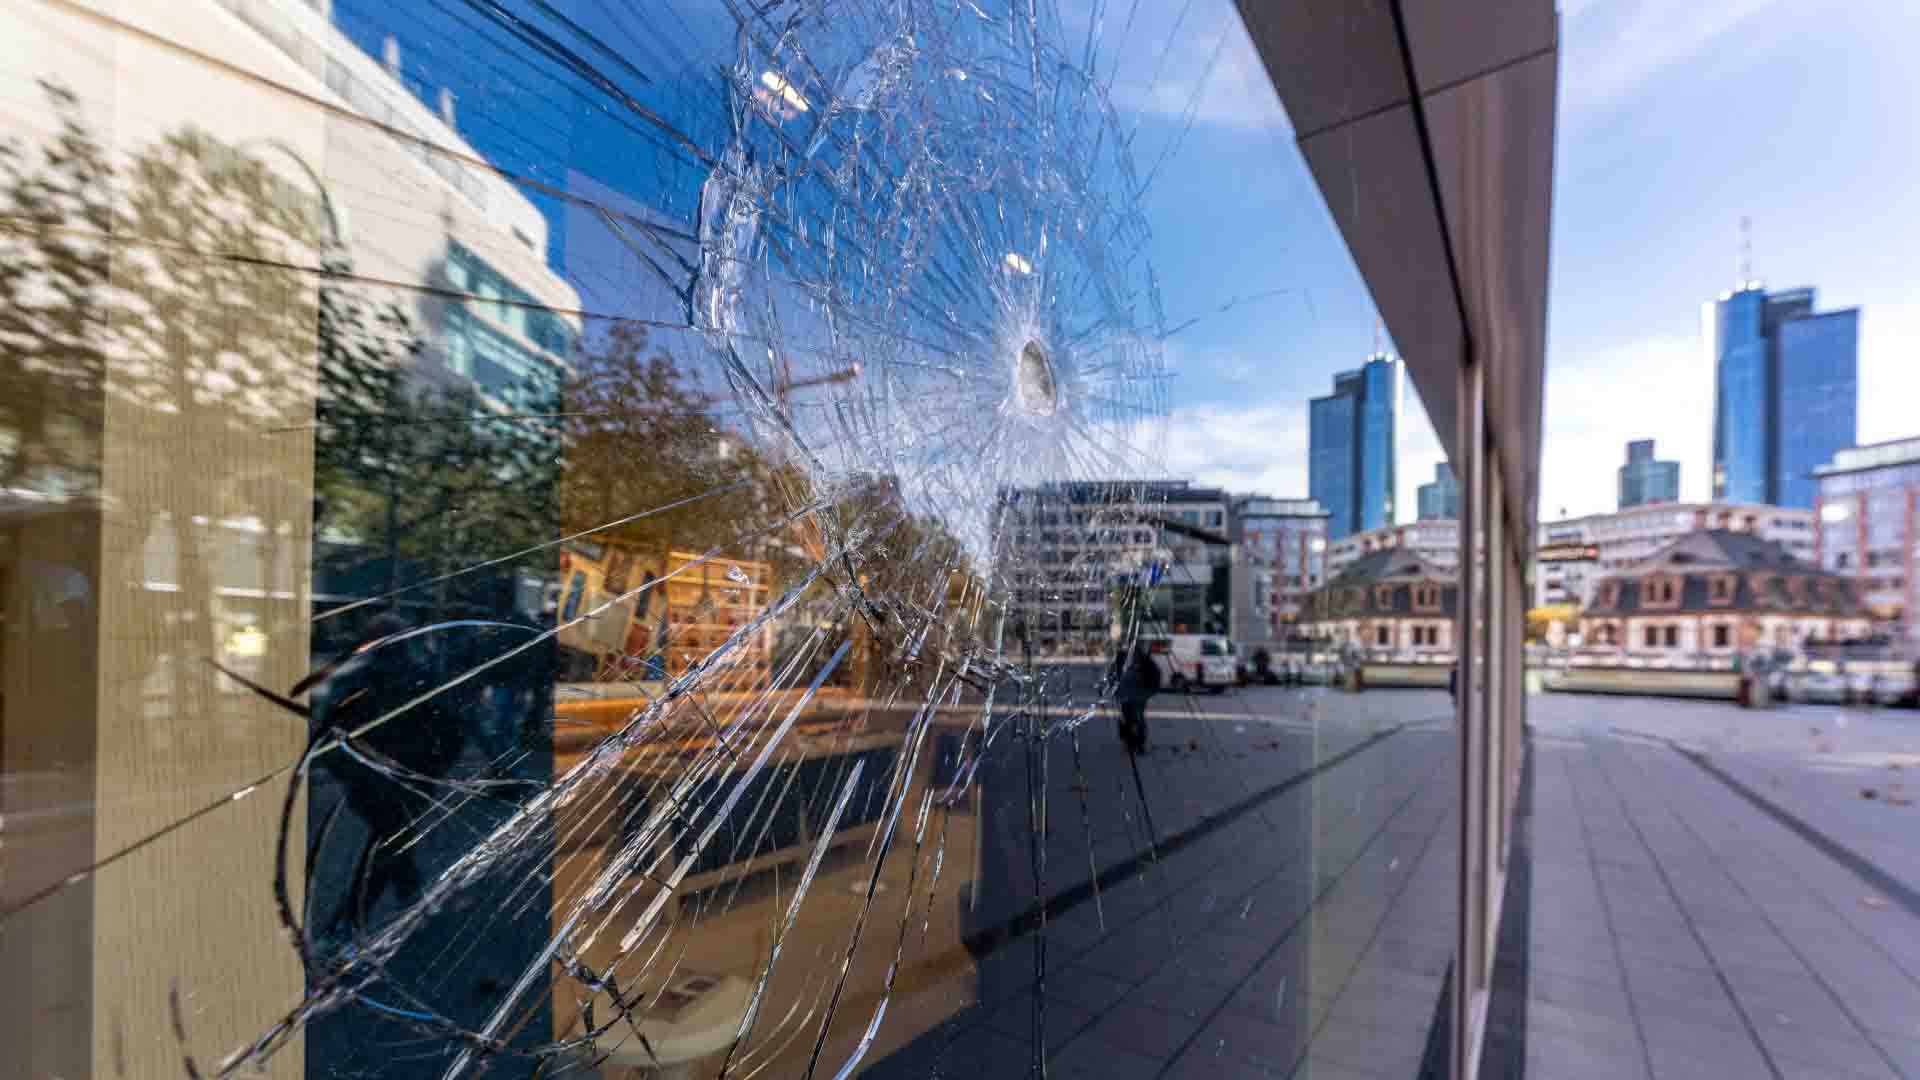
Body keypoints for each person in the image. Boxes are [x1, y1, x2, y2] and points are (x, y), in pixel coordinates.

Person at [1111, 640, 1161, 754]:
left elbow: (1155, 675)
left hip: (1139, 695)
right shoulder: (1121, 658)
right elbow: (1112, 673)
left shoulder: (1144, 660)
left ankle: (1139, 744)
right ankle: (1129, 742)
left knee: (1138, 718)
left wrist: (1151, 690)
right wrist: (1113, 688)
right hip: (1125, 695)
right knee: (1126, 718)